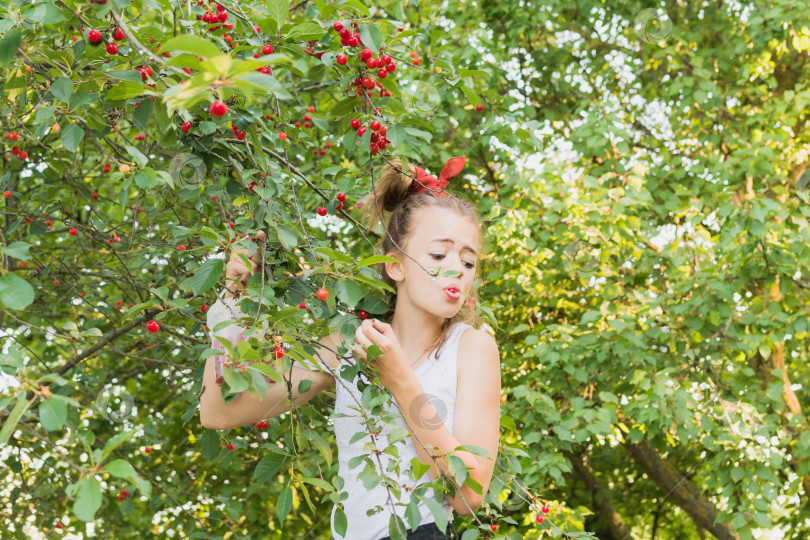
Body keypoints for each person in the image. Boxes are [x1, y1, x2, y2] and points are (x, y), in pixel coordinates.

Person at [198, 154, 502, 540]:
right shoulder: (348, 343)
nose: (457, 268)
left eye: (469, 261)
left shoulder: (471, 348)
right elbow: (219, 412)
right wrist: (234, 296)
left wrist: (401, 383)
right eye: (439, 255)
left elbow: (468, 493)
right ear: (396, 266)